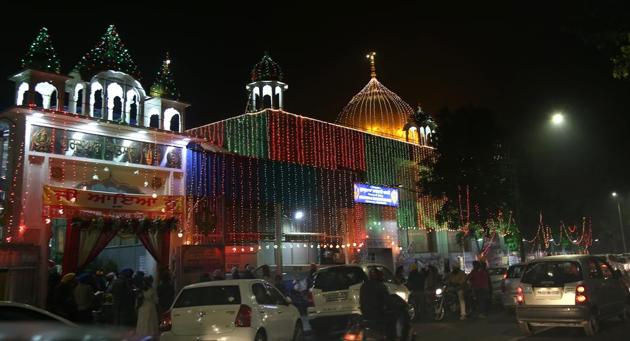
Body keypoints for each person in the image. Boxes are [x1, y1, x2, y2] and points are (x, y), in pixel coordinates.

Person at [359, 268, 395, 340]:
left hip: (365, 315)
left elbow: (361, 300)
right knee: (392, 321)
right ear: (379, 276)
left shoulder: (364, 286)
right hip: (377, 315)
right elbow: (387, 300)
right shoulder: (380, 286)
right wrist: (392, 305)